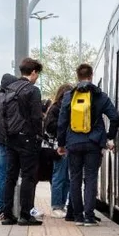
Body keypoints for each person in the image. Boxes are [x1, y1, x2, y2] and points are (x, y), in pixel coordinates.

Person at [57, 63, 119, 227]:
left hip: (73, 143)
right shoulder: (100, 96)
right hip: (93, 143)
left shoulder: (69, 95)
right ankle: (89, 217)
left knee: (75, 179)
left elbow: (62, 121)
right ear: (91, 76)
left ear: (77, 76)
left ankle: (77, 216)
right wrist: (109, 137)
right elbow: (115, 118)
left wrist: (61, 143)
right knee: (91, 178)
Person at [0, 58, 45, 226]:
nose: (37, 77)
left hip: (9, 138)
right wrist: (39, 136)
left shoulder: (8, 89)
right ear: (34, 72)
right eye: (37, 74)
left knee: (10, 176)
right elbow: (36, 117)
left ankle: (8, 215)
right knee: (29, 177)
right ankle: (25, 214)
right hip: (27, 139)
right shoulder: (32, 90)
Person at [45, 83, 74, 218]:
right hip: (59, 146)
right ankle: (57, 205)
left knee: (66, 178)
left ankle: (62, 204)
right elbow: (49, 127)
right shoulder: (56, 108)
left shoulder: (60, 108)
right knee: (59, 177)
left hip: (67, 145)